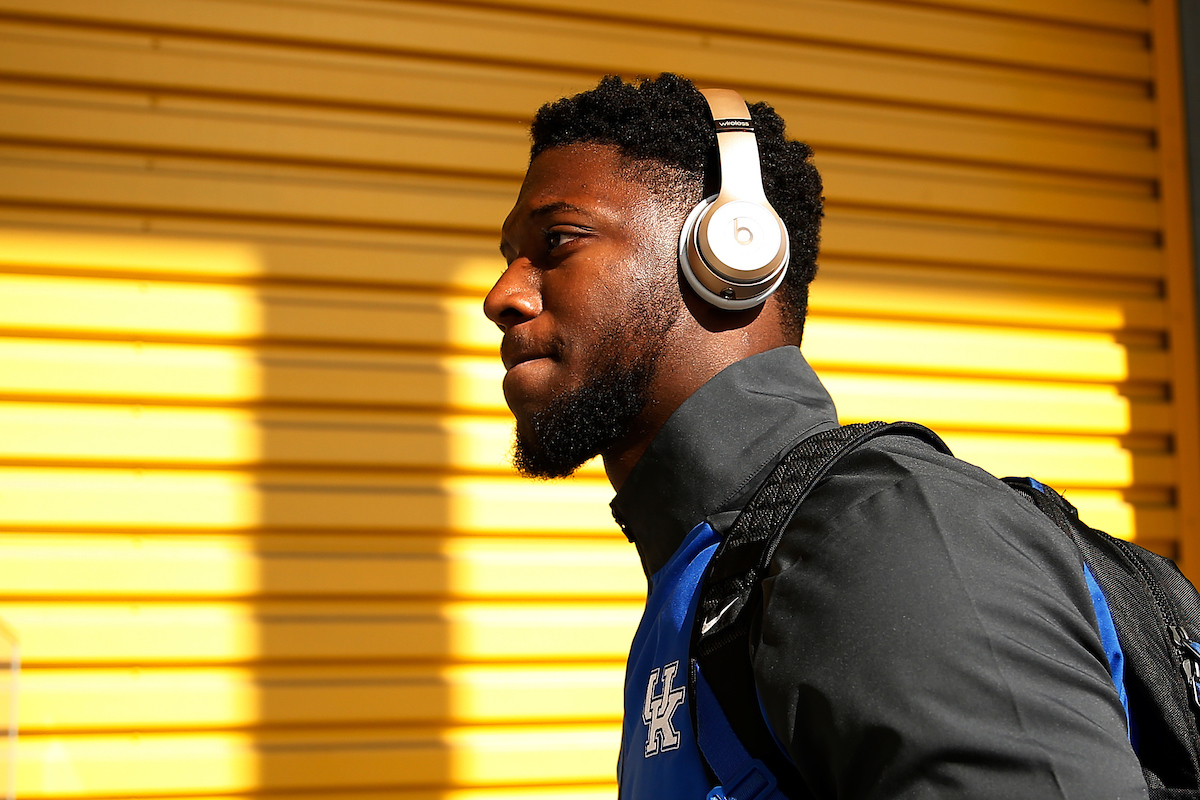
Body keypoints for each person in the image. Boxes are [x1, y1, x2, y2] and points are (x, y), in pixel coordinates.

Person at [484, 73, 1148, 799]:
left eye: (557, 242)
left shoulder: (885, 539)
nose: (503, 295)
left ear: (733, 252)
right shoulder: (710, 572)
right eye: (508, 255)